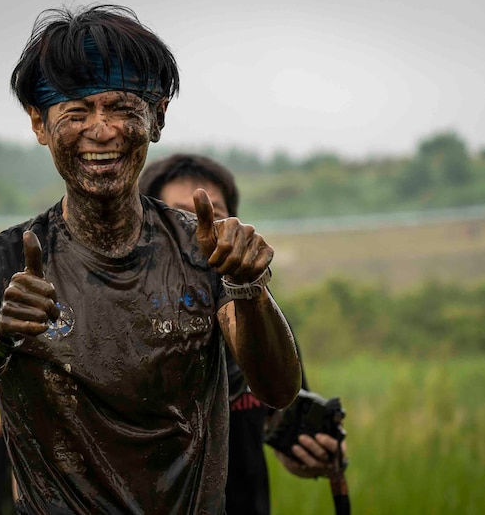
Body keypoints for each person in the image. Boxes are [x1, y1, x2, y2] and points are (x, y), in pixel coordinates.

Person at [0, 4, 301, 515]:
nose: (101, 131)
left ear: (157, 117)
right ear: (39, 122)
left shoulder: (202, 252)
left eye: (122, 107)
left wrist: (248, 289)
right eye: (76, 112)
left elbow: (277, 388)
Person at [139, 153, 347, 515]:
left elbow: (283, 417)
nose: (198, 229)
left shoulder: (262, 319)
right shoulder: (127, 319)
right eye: (179, 215)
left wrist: (313, 453)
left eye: (213, 216)